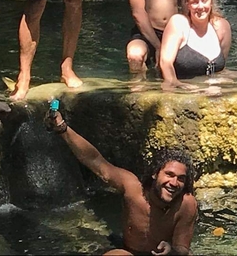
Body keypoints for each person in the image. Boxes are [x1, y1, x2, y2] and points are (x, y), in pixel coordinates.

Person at [45, 108, 197, 256]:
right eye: (169, 174)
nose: (174, 182)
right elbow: (96, 161)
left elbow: (183, 248)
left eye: (181, 178)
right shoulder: (133, 188)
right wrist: (62, 129)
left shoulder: (186, 204)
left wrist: (172, 251)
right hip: (128, 251)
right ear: (155, 174)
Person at [158, 0, 232, 90]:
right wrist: (176, 83)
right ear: (187, 5)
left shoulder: (222, 27)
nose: (200, 6)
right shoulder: (179, 23)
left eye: (204, 1)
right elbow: (165, 62)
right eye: (195, 2)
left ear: (211, 2)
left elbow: (221, 68)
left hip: (211, 90)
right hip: (182, 90)